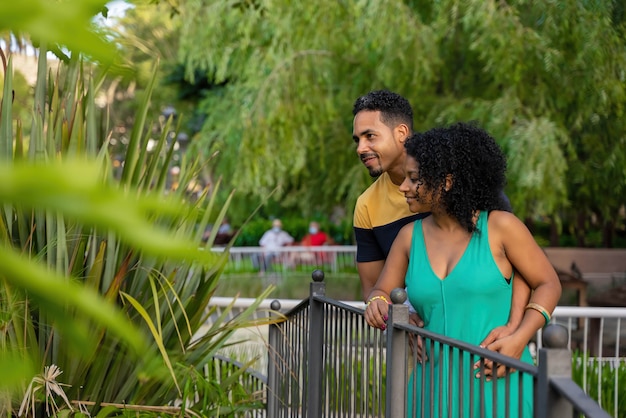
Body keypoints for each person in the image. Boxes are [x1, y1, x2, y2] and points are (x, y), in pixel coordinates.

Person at [363, 122, 562, 417]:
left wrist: (519, 337)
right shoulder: (408, 237)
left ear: (446, 182)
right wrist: (383, 308)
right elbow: (381, 292)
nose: (403, 187)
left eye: (413, 179)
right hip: (431, 387)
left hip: (499, 378)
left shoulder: (501, 227)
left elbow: (548, 283)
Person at [352, 89, 527, 347]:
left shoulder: (465, 185)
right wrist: (397, 318)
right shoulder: (367, 206)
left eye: (370, 136)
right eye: (357, 139)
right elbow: (375, 290)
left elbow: (521, 262)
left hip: (488, 338)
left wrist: (515, 328)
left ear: (401, 133)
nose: (360, 148)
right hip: (418, 344)